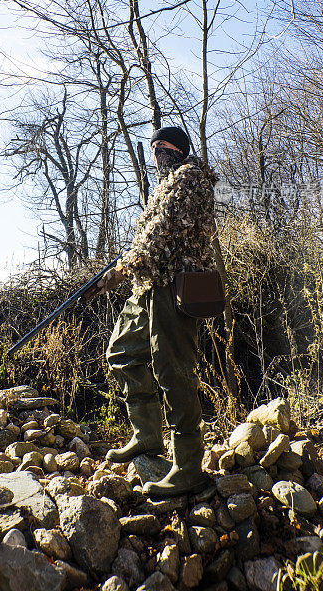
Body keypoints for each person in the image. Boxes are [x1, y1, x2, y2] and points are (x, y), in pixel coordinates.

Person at [98, 126, 218, 498]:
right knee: (122, 352)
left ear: (181, 149)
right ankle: (147, 436)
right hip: (148, 283)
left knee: (174, 371)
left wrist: (121, 269)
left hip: (175, 285)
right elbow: (147, 236)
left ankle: (187, 468)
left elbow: (162, 233)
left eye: (165, 146)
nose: (158, 153)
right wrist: (128, 266)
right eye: (153, 148)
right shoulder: (164, 186)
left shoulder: (190, 179)